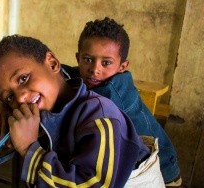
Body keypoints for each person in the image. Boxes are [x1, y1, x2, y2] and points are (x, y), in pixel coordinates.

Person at [0, 34, 164, 187]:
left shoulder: (99, 114)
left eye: (23, 78)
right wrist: (0, 103)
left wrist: (29, 148)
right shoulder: (49, 109)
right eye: (10, 97)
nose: (20, 98)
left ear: (52, 64)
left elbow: (92, 184)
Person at [60, 17, 182, 187]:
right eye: (88, 59)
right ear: (78, 57)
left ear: (122, 67)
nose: (95, 69)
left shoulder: (111, 98)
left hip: (161, 169)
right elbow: (69, 72)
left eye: (106, 63)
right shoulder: (92, 77)